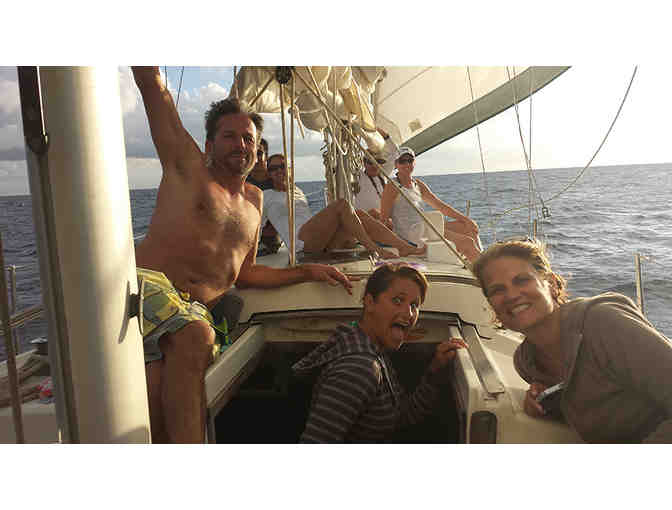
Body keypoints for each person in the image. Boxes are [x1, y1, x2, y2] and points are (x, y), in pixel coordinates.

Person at [132, 67, 353, 443]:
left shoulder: (255, 200)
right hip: (149, 290)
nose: (240, 144)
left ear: (258, 148)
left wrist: (307, 271)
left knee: (160, 377)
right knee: (196, 336)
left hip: (188, 314)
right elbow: (152, 85)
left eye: (248, 138)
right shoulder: (188, 168)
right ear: (209, 145)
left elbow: (245, 273)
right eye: (229, 136)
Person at [472, 239, 672, 443]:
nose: (512, 295)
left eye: (522, 280)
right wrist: (542, 405)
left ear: (551, 284)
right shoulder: (526, 362)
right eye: (497, 290)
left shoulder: (603, 324)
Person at [292, 263, 466, 442]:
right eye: (398, 301)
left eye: (414, 305)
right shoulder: (358, 371)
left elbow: (399, 416)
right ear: (369, 303)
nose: (409, 313)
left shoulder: (371, 349)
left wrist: (434, 372)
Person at [262, 154, 426, 259]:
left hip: (321, 241)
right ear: (268, 173)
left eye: (282, 166)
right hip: (301, 243)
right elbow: (257, 226)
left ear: (289, 169)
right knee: (342, 204)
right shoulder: (265, 195)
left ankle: (403, 247)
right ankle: (376, 250)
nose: (278, 171)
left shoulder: (297, 191)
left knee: (359, 214)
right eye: (273, 168)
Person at [378, 131, 481, 262]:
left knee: (468, 227)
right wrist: (394, 246)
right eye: (402, 161)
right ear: (396, 165)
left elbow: (440, 206)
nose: (407, 164)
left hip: (425, 227)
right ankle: (483, 268)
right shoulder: (392, 186)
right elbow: (383, 219)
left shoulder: (418, 184)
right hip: (412, 235)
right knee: (467, 242)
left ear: (414, 162)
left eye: (410, 160)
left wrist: (466, 219)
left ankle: (475, 260)